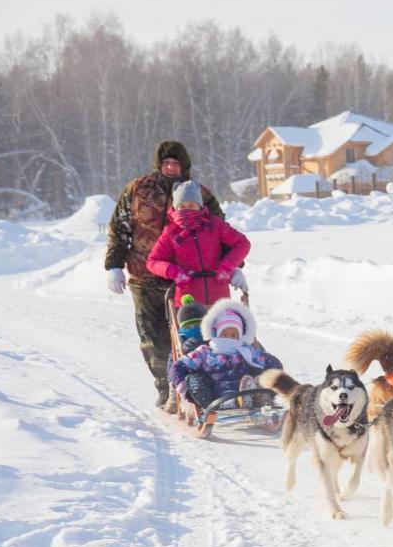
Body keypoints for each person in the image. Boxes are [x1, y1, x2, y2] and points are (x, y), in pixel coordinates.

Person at [104, 140, 244, 412]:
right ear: (158, 165)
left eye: (175, 163)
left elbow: (222, 233)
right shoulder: (137, 190)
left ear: (185, 166)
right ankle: (167, 388)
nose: (170, 168)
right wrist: (114, 265)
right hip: (146, 277)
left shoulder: (200, 194)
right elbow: (119, 227)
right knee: (154, 339)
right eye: (166, 163)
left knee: (195, 337)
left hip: (194, 280)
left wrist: (235, 266)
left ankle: (209, 387)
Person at [146, 180, 250, 307]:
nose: (187, 209)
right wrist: (174, 272)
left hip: (219, 298)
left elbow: (243, 243)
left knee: (224, 327)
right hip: (187, 301)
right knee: (192, 327)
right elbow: (152, 261)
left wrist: (228, 266)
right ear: (175, 207)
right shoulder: (171, 232)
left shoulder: (214, 225)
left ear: (200, 206)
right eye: (182, 206)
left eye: (192, 205)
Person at [170, 299, 280, 412]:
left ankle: (261, 399)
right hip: (216, 398)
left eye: (234, 335)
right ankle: (233, 403)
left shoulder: (246, 351)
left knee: (260, 374)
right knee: (193, 379)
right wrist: (181, 385)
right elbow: (179, 365)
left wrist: (277, 379)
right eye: (224, 334)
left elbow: (272, 362)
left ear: (240, 335)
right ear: (216, 333)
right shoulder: (205, 352)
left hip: (247, 389)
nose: (229, 338)